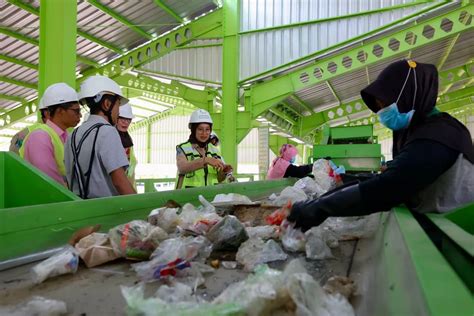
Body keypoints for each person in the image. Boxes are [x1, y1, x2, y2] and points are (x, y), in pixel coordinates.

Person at [288, 59, 474, 232]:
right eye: (379, 106)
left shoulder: (439, 135)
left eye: (386, 103)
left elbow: (388, 187)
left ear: (409, 96)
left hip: (459, 233)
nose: (382, 112)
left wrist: (318, 208)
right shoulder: (421, 131)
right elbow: (395, 173)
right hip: (441, 223)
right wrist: (345, 180)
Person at [64, 75, 136, 199]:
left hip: (80, 207)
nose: (118, 111)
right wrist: (140, 205)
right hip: (107, 210)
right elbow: (120, 182)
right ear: (107, 104)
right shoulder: (107, 132)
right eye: (118, 105)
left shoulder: (73, 135)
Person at [20, 83, 81, 186]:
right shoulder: (40, 137)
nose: (80, 115)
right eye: (76, 110)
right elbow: (50, 183)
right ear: (60, 111)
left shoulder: (66, 136)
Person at [175, 109, 233, 189]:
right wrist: (206, 160)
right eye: (200, 129)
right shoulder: (182, 148)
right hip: (187, 198)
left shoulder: (215, 150)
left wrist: (223, 172)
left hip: (210, 196)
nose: (204, 133)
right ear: (193, 130)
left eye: (207, 129)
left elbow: (219, 179)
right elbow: (182, 168)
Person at [116, 103, 137, 187]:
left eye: (128, 120)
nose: (125, 122)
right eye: (122, 119)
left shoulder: (128, 139)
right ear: (115, 118)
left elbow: (131, 160)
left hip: (127, 182)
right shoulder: (110, 137)